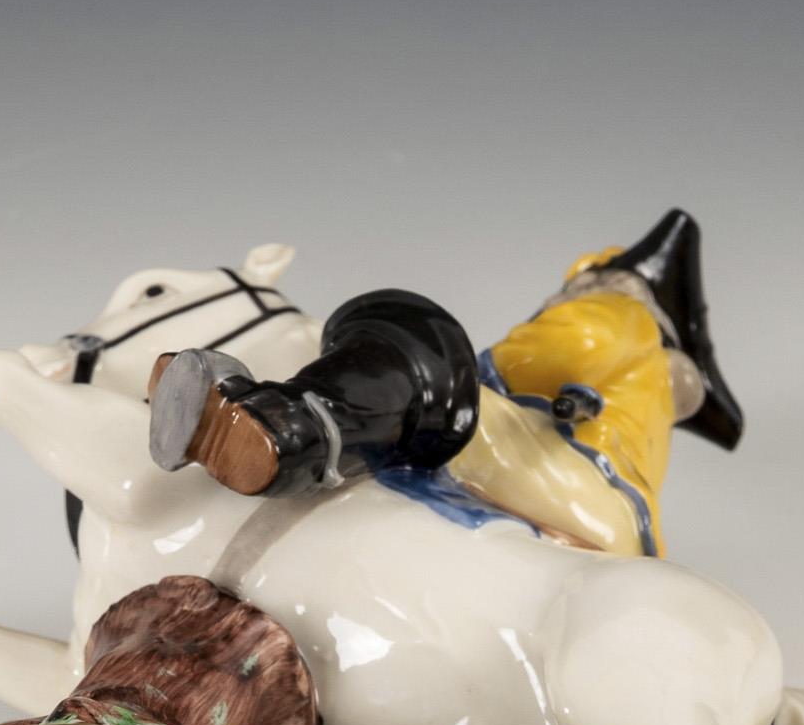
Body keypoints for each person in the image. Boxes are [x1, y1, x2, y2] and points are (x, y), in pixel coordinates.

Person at [147, 209, 743, 557]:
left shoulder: (618, 312)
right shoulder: (649, 385)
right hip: (623, 527)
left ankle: (290, 429)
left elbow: (531, 360)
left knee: (414, 335)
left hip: (572, 476)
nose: (566, 294)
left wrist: (447, 374)